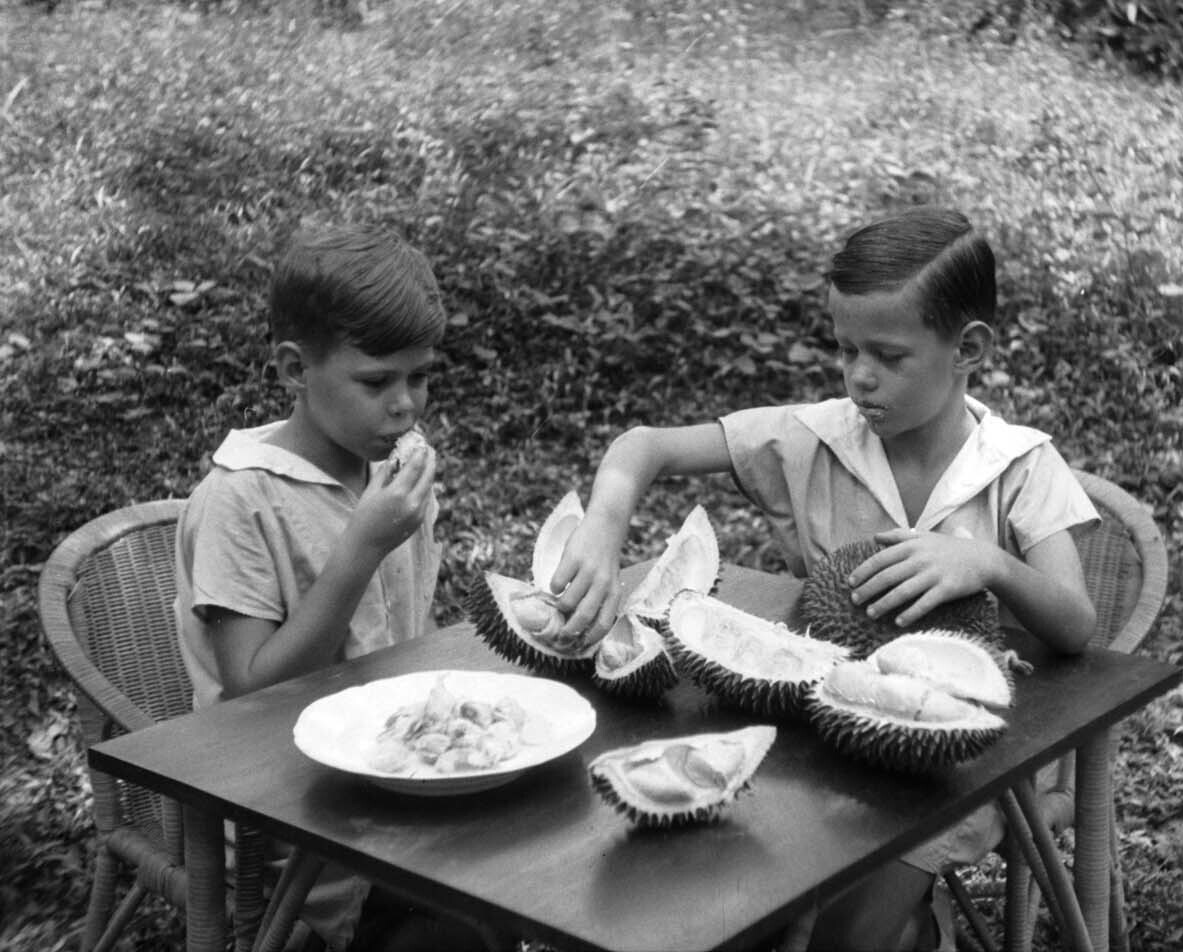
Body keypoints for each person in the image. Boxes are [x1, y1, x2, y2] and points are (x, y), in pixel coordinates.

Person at [549, 206, 1099, 951]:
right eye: (845, 350)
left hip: (969, 757)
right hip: (826, 736)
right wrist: (603, 524)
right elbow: (644, 446)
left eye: (889, 356)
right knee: (716, 892)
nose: (860, 375)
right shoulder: (816, 440)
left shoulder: (1021, 467)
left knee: (854, 931)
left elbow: (1076, 624)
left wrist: (990, 564)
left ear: (968, 348)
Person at [173, 223, 498, 952]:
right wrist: (362, 546)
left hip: (393, 791)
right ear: (295, 368)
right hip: (288, 828)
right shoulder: (241, 501)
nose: (406, 406)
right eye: (377, 382)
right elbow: (253, 693)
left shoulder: (386, 476)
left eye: (420, 377)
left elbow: (402, 639)